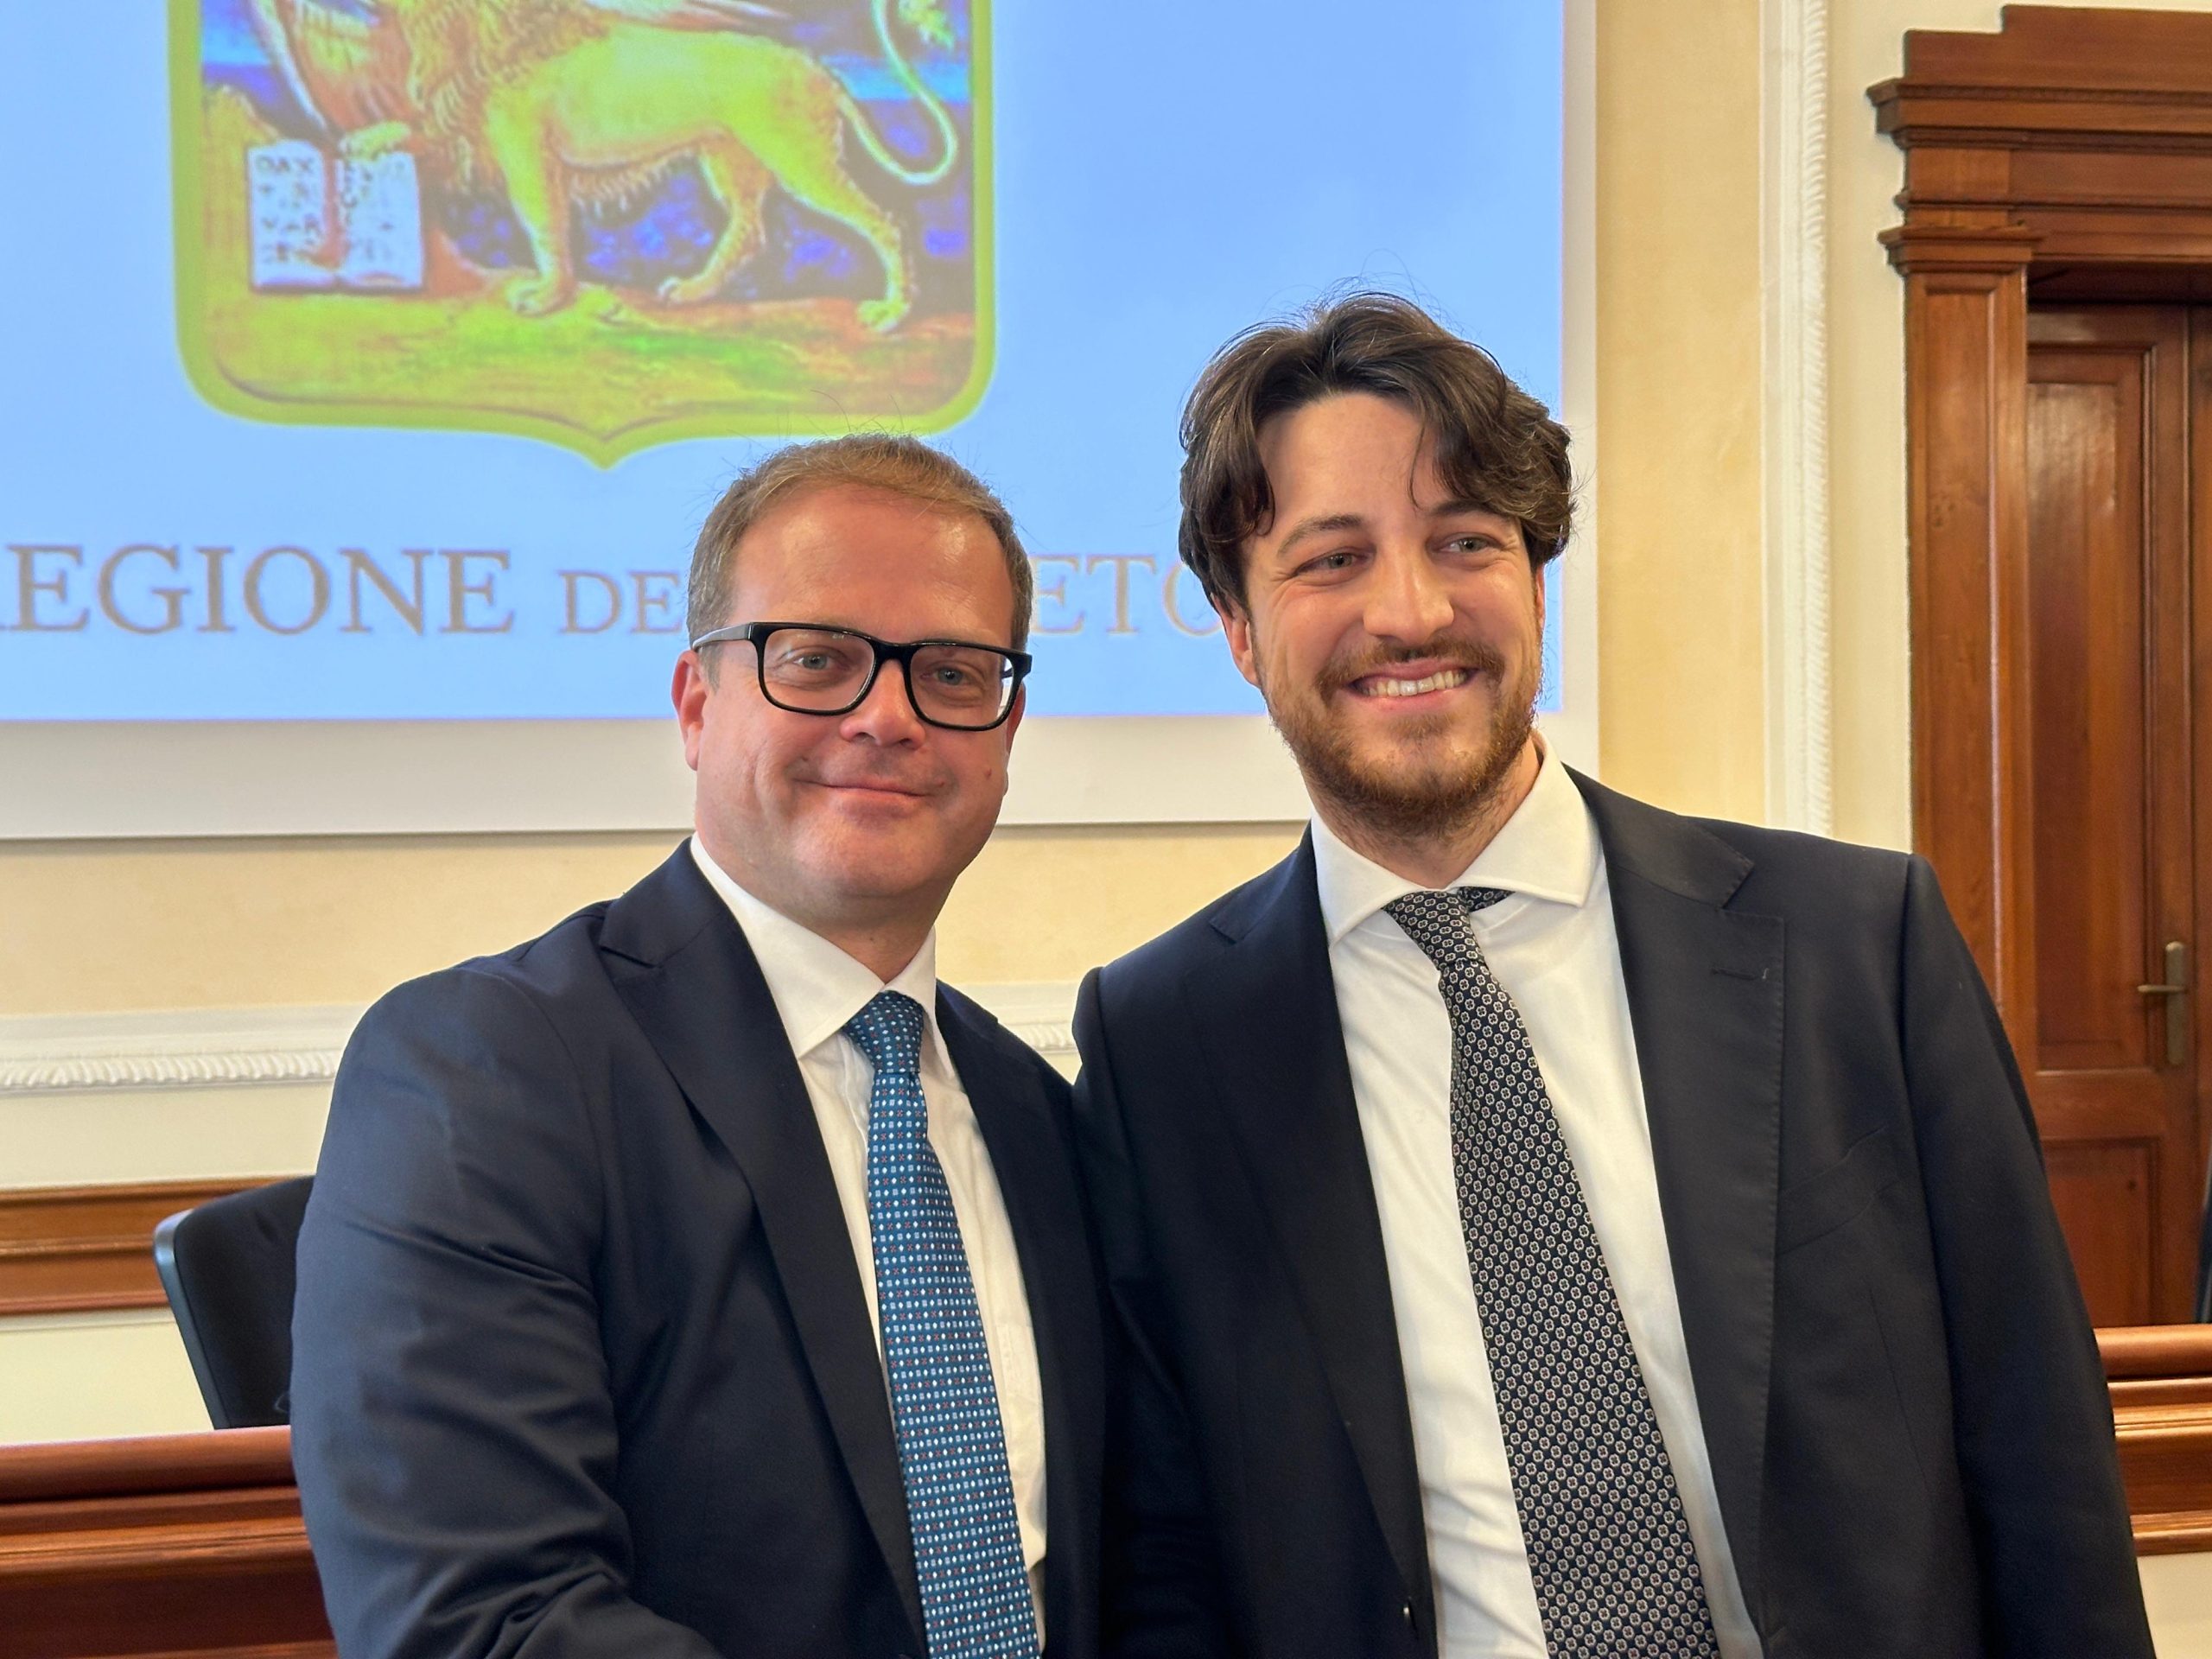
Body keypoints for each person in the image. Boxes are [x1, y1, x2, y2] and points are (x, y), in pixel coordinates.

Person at [1071, 294, 2151, 1658]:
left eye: (1465, 541)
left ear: (1536, 580)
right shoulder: (1165, 1042)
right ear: (1237, 628)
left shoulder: (1854, 945)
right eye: (1331, 559)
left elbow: (2039, 1449)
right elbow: (1168, 1549)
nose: (1411, 611)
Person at [293, 435, 1102, 1659]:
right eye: (817, 660)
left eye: (951, 673)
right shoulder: (485, 1074)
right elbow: (483, 1623)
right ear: (695, 704)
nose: (887, 717)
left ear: (1006, 729)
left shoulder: (1039, 1114)